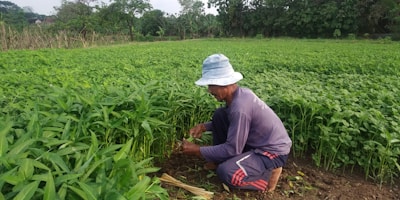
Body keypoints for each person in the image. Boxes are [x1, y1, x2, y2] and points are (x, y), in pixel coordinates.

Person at [182, 53, 292, 191]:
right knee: (219, 115)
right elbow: (231, 121)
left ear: (224, 84)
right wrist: (204, 127)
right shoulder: (238, 96)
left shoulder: (240, 108)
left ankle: (268, 176)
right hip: (255, 142)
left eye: (212, 85)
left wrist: (198, 150)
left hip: (270, 152)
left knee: (227, 173)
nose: (209, 90)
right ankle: (223, 160)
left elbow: (232, 149)